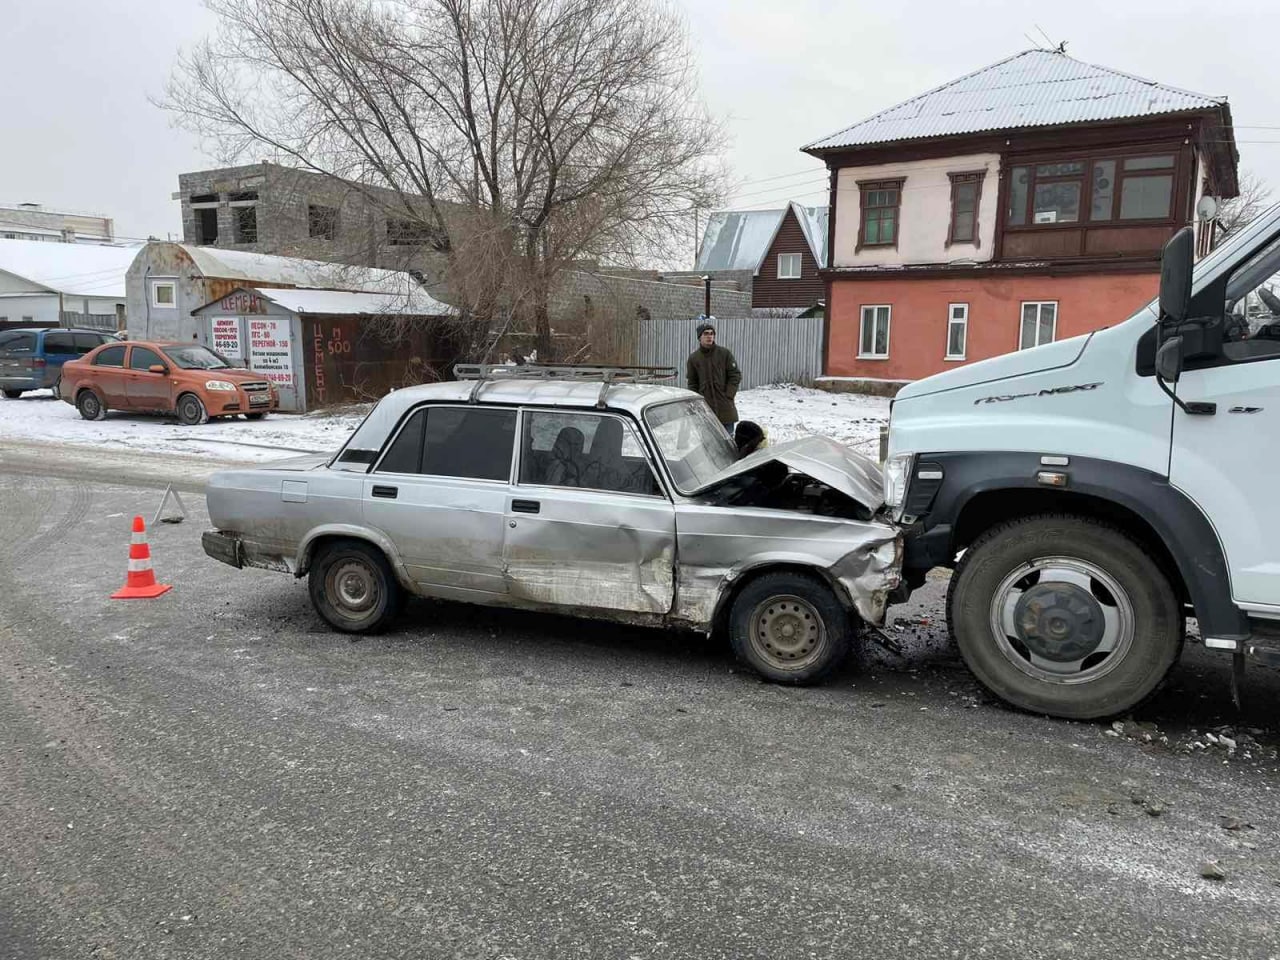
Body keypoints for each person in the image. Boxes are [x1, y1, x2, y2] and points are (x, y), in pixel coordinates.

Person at [686, 319, 742, 432]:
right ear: (699, 337)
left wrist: (729, 395)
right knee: (708, 444)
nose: (709, 336)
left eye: (711, 334)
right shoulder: (694, 358)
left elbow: (735, 375)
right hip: (705, 408)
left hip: (725, 407)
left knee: (728, 442)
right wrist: (697, 401)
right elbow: (692, 383)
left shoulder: (724, 354)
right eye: (706, 334)